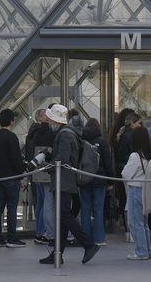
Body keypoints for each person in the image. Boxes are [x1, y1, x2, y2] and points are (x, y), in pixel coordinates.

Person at [39, 104, 98, 266]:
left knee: (64, 215)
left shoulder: (65, 135)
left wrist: (46, 167)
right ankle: (57, 253)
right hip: (65, 180)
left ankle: (88, 244)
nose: (48, 122)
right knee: (62, 217)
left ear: (55, 121)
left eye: (49, 120)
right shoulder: (68, 133)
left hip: (63, 180)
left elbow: (62, 159)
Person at [0, 109, 26, 248]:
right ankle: (12, 238)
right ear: (12, 121)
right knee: (12, 208)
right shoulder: (12, 137)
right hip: (12, 177)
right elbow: (16, 159)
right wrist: (20, 175)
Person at [79, 119, 112, 246]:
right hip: (99, 179)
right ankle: (98, 238)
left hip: (84, 178)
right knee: (98, 208)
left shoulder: (81, 140)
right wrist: (110, 179)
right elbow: (107, 161)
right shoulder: (102, 141)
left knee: (85, 208)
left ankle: (86, 237)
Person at [25, 107, 55, 246]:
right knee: (47, 203)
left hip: (35, 169)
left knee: (39, 202)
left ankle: (39, 231)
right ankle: (46, 232)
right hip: (47, 169)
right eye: (46, 115)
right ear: (41, 117)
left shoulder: (32, 133)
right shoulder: (50, 133)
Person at [121, 127, 151, 260]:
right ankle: (147, 249)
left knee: (135, 222)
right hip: (145, 190)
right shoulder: (148, 155)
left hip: (135, 189)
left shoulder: (135, 156)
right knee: (144, 223)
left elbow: (125, 174)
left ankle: (141, 251)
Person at [114, 112, 142, 243]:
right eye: (139, 123)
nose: (141, 126)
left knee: (127, 199)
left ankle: (129, 231)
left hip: (123, 167)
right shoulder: (131, 136)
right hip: (131, 169)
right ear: (132, 123)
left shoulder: (122, 135)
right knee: (130, 201)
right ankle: (130, 231)